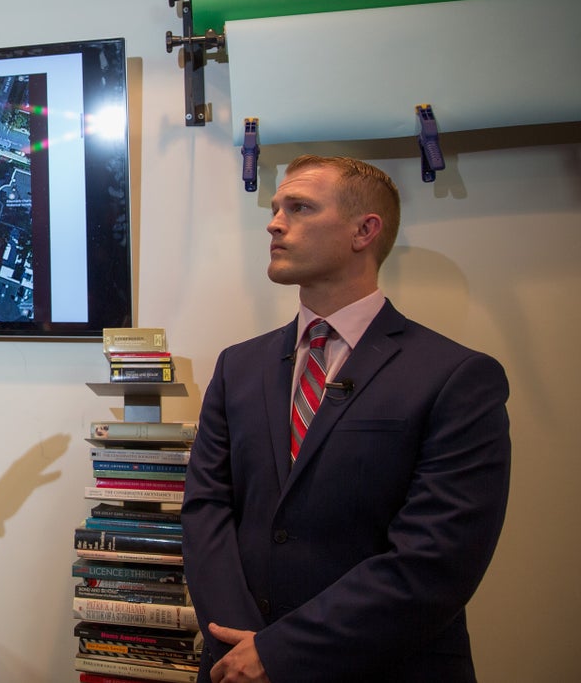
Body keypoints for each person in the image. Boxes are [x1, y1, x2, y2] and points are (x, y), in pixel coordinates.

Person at [181, 155, 511, 683]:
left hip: (382, 666)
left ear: (365, 231)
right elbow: (206, 511)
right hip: (234, 665)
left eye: (300, 207)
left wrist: (278, 654)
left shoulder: (456, 377)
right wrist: (240, 645)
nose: (274, 222)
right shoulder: (237, 366)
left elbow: (436, 560)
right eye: (275, 208)